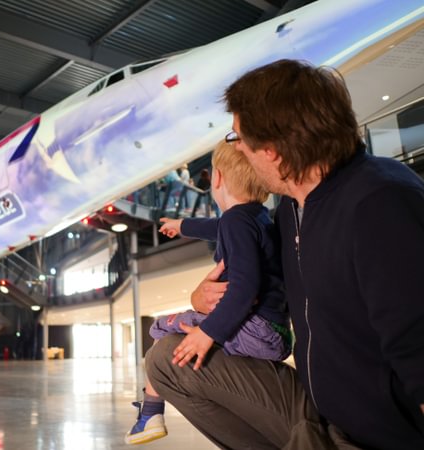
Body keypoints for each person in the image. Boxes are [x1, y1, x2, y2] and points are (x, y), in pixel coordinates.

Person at [145, 59, 424, 449]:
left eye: (238, 138)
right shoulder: (291, 211)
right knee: (166, 359)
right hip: (317, 408)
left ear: (272, 151)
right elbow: (252, 279)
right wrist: (199, 299)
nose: (237, 147)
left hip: (373, 433)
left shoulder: (380, 203)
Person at [125, 142, 292, 445]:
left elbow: (245, 288)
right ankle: (150, 410)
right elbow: (217, 227)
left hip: (255, 330)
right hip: (275, 333)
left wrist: (208, 333)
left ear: (216, 178)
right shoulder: (257, 218)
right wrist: (183, 225)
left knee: (161, 327)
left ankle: (150, 412)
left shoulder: (235, 221)